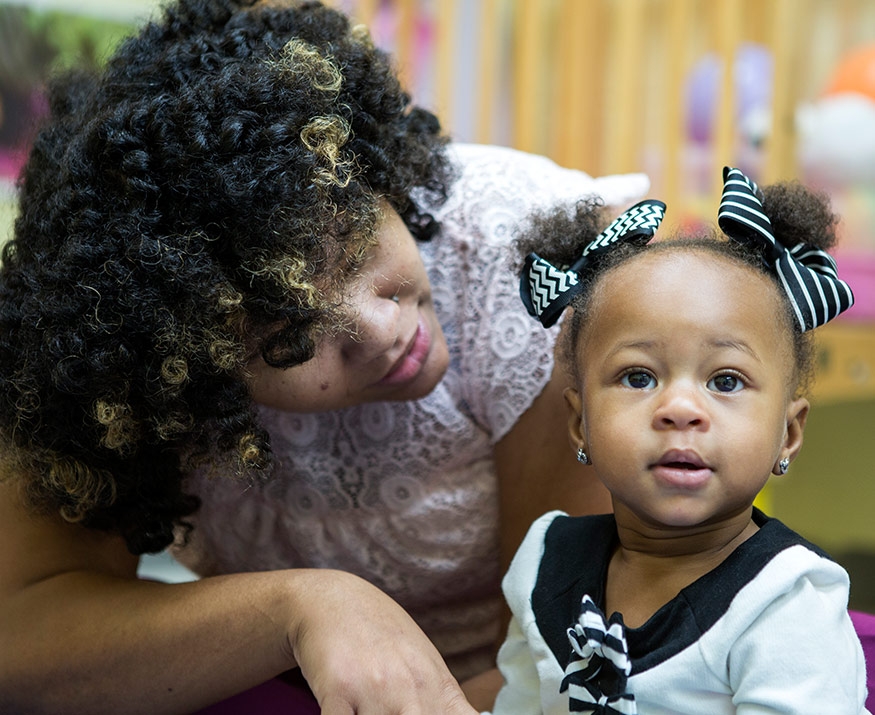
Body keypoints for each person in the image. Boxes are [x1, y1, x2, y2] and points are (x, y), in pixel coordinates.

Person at [0, 0, 650, 712]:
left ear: (365, 167)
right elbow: (25, 634)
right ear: (192, 372)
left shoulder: (528, 263)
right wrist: (299, 607)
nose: (377, 329)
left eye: (354, 240)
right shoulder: (135, 351)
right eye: (288, 335)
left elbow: (558, 659)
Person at [487, 167, 868, 714]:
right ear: (580, 426)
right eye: (639, 377)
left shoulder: (783, 606)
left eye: (725, 381)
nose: (681, 410)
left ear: (788, 434)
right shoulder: (546, 563)